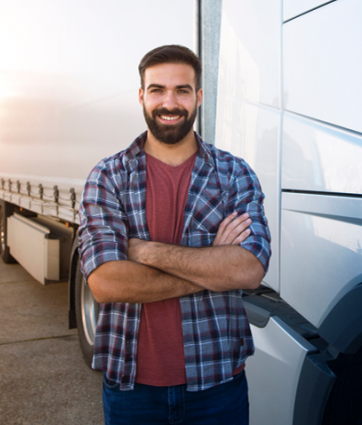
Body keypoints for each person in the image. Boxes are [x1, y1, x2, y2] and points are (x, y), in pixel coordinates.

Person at [78, 44, 270, 425]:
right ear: (141, 96)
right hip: (132, 389)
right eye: (157, 90)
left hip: (217, 384)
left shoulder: (233, 174)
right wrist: (211, 268)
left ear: (198, 97)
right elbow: (106, 283)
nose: (170, 102)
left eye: (182, 90)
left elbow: (248, 270)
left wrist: (146, 252)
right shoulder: (109, 176)